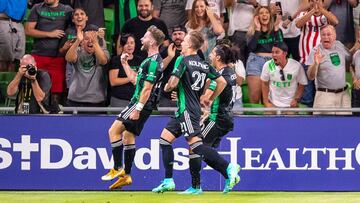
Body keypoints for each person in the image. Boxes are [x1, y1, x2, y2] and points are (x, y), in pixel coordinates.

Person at [151, 31, 240, 194]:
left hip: (187, 110)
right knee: (165, 139)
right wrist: (210, 98)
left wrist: (168, 86)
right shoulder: (204, 64)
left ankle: (228, 167)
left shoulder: (183, 60)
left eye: (184, 41)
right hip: (188, 109)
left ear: (190, 45)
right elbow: (220, 82)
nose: (182, 43)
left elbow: (173, 83)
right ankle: (170, 181)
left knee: (197, 146)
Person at [101, 26, 165, 190]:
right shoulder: (149, 60)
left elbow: (147, 89)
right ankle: (127, 176)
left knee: (113, 131)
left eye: (144, 37)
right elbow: (136, 81)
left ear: (151, 41)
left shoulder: (153, 62)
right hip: (142, 104)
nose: (141, 39)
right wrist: (124, 63)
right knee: (128, 136)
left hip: (139, 103)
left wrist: (138, 108)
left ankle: (117, 167)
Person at [179, 44, 237, 195]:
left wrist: (186, 94)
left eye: (212, 53)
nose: (210, 56)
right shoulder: (230, 72)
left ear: (218, 57)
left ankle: (225, 169)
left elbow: (205, 99)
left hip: (217, 118)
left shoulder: (219, 77)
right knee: (203, 150)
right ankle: (228, 175)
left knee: (195, 146)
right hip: (226, 117)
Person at [25, 0, 73, 105]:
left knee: (57, 95)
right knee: (35, 92)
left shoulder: (67, 10)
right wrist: (49, 34)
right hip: (39, 56)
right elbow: (28, 30)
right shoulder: (37, 8)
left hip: (58, 58)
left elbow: (77, 25)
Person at [295, 0, 338, 107]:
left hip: (323, 64)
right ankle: (307, 122)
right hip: (306, 62)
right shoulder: (303, 14)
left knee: (323, 96)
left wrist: (321, 9)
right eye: (313, 0)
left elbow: (335, 22)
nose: (316, 2)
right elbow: (298, 24)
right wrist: (313, 10)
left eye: (318, 0)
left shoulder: (327, 15)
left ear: (323, 2)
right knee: (307, 97)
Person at [307, 25, 351, 115]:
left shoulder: (339, 45)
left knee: (345, 126)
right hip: (325, 96)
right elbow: (310, 76)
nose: (326, 37)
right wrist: (316, 63)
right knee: (324, 127)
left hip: (343, 95)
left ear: (335, 36)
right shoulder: (316, 51)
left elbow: (350, 57)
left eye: (329, 34)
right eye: (323, 35)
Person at [246, 6, 283, 104]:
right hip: (256, 61)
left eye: (266, 12)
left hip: (272, 62)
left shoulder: (276, 30)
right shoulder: (252, 31)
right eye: (261, 13)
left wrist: (276, 31)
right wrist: (258, 30)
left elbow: (281, 47)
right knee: (255, 97)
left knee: (270, 99)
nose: (264, 15)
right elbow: (251, 48)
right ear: (257, 17)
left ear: (270, 16)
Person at [65, 29, 109, 109]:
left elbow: (103, 61)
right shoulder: (77, 51)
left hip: (96, 101)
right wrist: (77, 41)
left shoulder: (104, 52)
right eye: (86, 38)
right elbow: (69, 58)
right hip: (75, 100)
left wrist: (95, 42)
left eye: (93, 38)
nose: (90, 41)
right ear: (82, 42)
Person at [261, 42, 307, 112]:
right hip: (273, 103)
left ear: (285, 53)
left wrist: (296, 99)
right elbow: (264, 83)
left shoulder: (296, 66)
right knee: (268, 117)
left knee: (290, 119)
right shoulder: (268, 65)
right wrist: (266, 102)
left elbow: (302, 83)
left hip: (290, 105)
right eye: (272, 52)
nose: (274, 55)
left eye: (277, 52)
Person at [108, 34, 142, 107]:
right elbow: (113, 81)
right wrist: (131, 78)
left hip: (136, 99)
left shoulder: (140, 60)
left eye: (132, 43)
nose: (130, 45)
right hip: (120, 100)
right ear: (122, 45)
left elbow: (141, 79)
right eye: (126, 43)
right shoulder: (116, 60)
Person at [158, 25, 187, 108]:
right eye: (174, 34)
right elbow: (159, 69)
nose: (177, 36)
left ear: (186, 35)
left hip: (185, 95)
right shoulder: (165, 50)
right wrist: (170, 57)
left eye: (180, 33)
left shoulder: (194, 51)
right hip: (166, 95)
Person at [0, 0, 27, 72]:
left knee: (16, 59)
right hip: (4, 21)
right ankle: (3, 82)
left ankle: (11, 82)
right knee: (3, 59)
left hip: (18, 22)